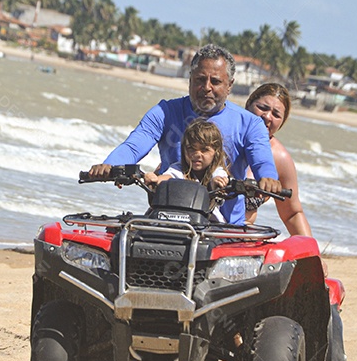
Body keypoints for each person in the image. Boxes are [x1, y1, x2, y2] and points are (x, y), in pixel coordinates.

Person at [87, 43, 281, 225]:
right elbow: (134, 145)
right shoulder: (165, 112)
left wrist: (268, 178)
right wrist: (110, 166)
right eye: (200, 80)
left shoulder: (250, 124)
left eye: (215, 81)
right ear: (190, 79)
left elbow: (262, 161)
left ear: (229, 85)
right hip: (166, 217)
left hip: (224, 228)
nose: (206, 87)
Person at [244, 82, 312, 237]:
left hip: (239, 237)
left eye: (276, 114)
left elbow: (292, 214)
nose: (267, 116)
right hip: (201, 229)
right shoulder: (222, 136)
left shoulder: (280, 158)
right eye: (263, 108)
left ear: (282, 122)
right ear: (248, 105)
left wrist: (311, 254)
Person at [145, 119, 231, 221]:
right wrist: (154, 180)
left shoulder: (217, 171)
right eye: (191, 148)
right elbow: (167, 177)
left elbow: (218, 178)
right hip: (174, 218)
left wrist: (217, 182)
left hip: (209, 222)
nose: (197, 154)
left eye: (204, 150)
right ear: (183, 149)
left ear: (216, 152)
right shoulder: (179, 169)